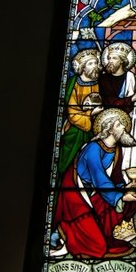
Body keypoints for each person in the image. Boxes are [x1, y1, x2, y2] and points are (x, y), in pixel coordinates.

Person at [51, 109, 136, 259]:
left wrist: (124, 188)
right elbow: (99, 179)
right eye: (119, 124)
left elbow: (110, 181)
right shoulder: (93, 148)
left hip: (95, 194)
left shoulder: (115, 150)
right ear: (109, 128)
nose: (124, 127)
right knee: (97, 247)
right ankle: (63, 233)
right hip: (76, 195)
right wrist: (121, 197)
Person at [57, 48, 103, 176]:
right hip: (76, 129)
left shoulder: (99, 83)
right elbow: (72, 114)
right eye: (90, 63)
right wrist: (91, 114)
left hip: (95, 127)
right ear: (82, 67)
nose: (94, 66)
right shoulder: (73, 84)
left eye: (95, 62)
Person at [99, 42, 136, 171]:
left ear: (122, 61)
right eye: (109, 58)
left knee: (124, 156)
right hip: (108, 122)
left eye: (114, 58)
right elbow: (109, 101)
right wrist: (132, 99)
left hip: (128, 122)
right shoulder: (104, 79)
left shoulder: (130, 77)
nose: (110, 61)